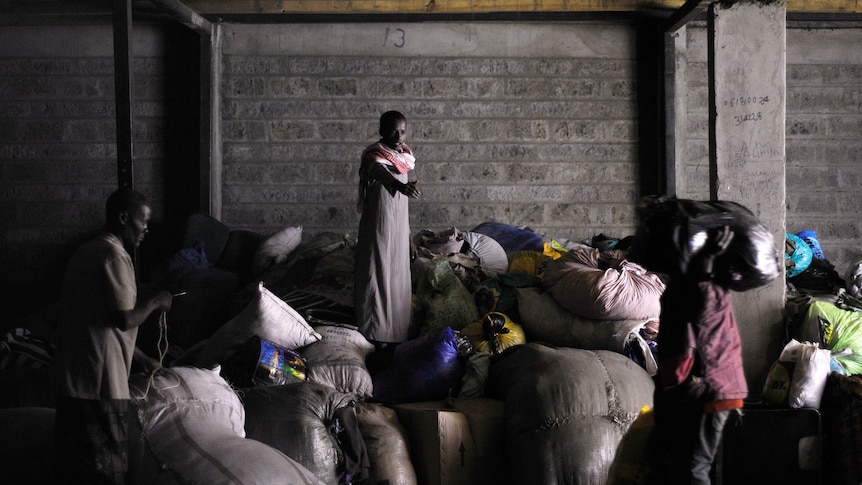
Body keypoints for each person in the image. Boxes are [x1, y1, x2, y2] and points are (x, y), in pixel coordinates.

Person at [53, 187, 173, 484]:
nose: (146, 229)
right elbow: (123, 319)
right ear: (123, 218)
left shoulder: (86, 251)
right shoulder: (114, 255)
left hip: (73, 383)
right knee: (107, 475)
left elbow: (98, 324)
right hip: (100, 388)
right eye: (142, 221)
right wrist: (157, 301)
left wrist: (142, 359)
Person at [651, 225, 747, 485]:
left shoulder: (704, 288)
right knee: (683, 464)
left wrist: (677, 383)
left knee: (694, 468)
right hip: (708, 386)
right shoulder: (691, 286)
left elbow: (694, 334)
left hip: (709, 388)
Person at [354, 110, 420, 350]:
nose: (398, 135)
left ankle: (396, 337)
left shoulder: (404, 158)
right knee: (376, 278)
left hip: (399, 229)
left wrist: (409, 237)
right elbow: (379, 173)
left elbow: (403, 207)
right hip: (379, 229)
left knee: (397, 282)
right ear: (382, 131)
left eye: (402, 131)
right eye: (393, 130)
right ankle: (373, 338)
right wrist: (398, 186)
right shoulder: (375, 156)